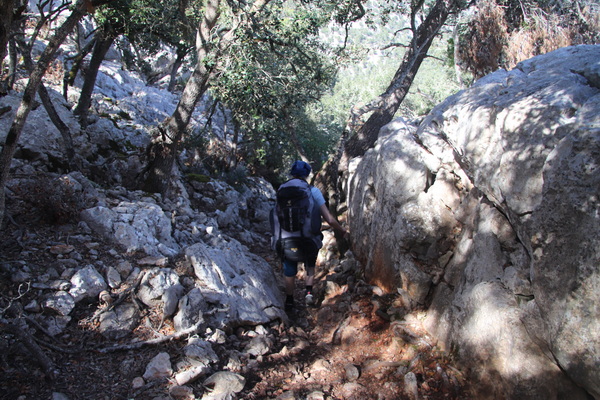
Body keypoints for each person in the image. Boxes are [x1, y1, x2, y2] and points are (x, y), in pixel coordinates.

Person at [279, 160, 348, 311]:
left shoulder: (281, 189)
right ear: (307, 174)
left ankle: (289, 300)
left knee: (289, 270)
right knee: (310, 266)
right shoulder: (313, 191)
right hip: (309, 238)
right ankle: (308, 293)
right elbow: (329, 219)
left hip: (287, 238)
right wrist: (341, 230)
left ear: (292, 173)